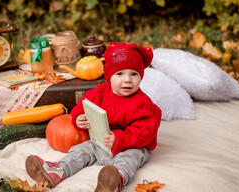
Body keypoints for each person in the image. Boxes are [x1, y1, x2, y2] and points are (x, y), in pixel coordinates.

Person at [25, 42, 162, 191]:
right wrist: (78, 117)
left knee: (130, 159)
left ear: (140, 76)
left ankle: (115, 180)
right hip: (100, 143)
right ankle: (58, 171)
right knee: (81, 150)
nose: (127, 79)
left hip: (130, 145)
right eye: (120, 74)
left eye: (134, 74)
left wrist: (119, 139)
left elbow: (144, 132)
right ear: (109, 75)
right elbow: (83, 105)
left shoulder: (142, 103)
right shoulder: (102, 91)